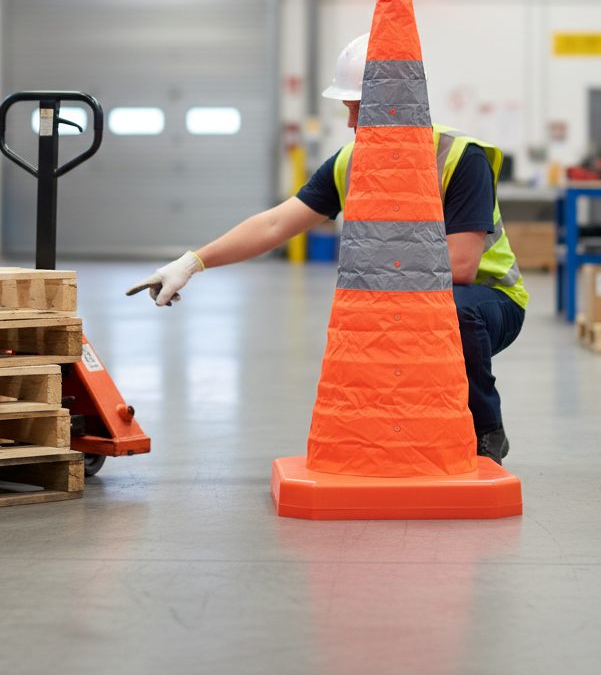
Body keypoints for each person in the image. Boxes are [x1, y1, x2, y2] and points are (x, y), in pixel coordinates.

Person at [127, 32, 527, 465]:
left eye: (359, 109)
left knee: (456, 310)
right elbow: (275, 224)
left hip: (488, 300)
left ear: (398, 103)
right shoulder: (350, 162)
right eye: (348, 109)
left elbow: (462, 266)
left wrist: (374, 283)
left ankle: (487, 429)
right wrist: (192, 263)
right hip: (407, 298)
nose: (352, 123)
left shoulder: (459, 157)